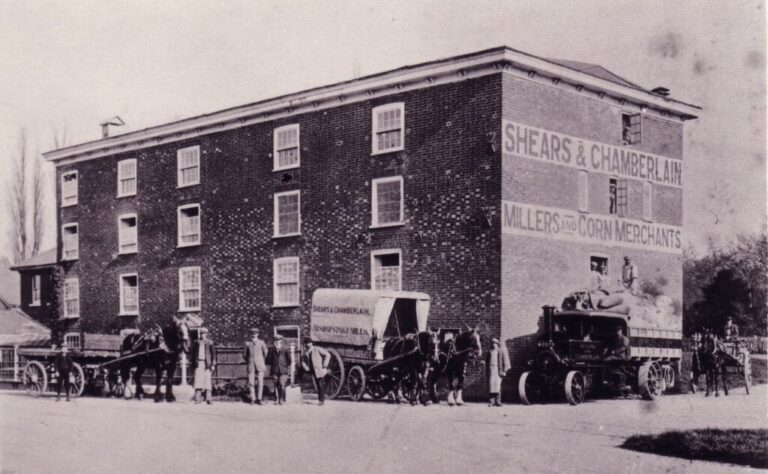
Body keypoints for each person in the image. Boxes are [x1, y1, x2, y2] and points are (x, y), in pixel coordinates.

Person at [300, 337, 331, 406]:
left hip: (318, 370)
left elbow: (328, 354)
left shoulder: (317, 349)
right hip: (311, 370)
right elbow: (302, 362)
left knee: (320, 384)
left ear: (311, 343)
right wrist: (306, 368)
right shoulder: (305, 353)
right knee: (317, 384)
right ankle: (320, 399)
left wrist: (325, 365)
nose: (307, 345)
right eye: (306, 344)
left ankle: (321, 400)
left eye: (309, 343)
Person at [243, 328, 268, 405]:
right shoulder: (247, 344)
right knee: (251, 382)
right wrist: (249, 361)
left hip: (260, 365)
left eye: (255, 333)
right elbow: (244, 355)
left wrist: (261, 360)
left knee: (260, 382)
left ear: (258, 334)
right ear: (250, 334)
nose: (253, 335)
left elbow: (266, 353)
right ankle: (253, 399)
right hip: (251, 365)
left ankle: (259, 399)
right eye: (252, 333)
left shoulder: (261, 343)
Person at [191, 328, 216, 405]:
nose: (202, 335)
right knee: (198, 381)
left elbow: (213, 354)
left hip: (207, 364)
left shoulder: (210, 343)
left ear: (207, 334)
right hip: (198, 363)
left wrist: (213, 364)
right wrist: (193, 364)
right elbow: (193, 354)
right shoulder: (196, 342)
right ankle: (197, 399)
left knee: (207, 381)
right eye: (201, 333)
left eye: (204, 333)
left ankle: (209, 399)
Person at [485, 338, 510, 407]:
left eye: (495, 343)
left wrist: (505, 370)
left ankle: (498, 402)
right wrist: (487, 370)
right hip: (491, 370)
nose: (493, 345)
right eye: (492, 343)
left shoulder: (501, 351)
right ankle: (491, 402)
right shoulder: (489, 352)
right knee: (491, 386)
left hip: (498, 370)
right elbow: (487, 362)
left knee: (497, 386)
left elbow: (505, 361)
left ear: (497, 344)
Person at [267, 335, 292, 405]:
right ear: (274, 343)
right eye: (275, 342)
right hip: (274, 370)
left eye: (278, 342)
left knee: (282, 384)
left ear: (281, 342)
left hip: (283, 370)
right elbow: (267, 361)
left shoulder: (285, 349)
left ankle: (281, 399)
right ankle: (276, 399)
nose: (277, 343)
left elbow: (289, 360)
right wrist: (270, 353)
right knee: (275, 384)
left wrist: (284, 365)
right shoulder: (271, 350)